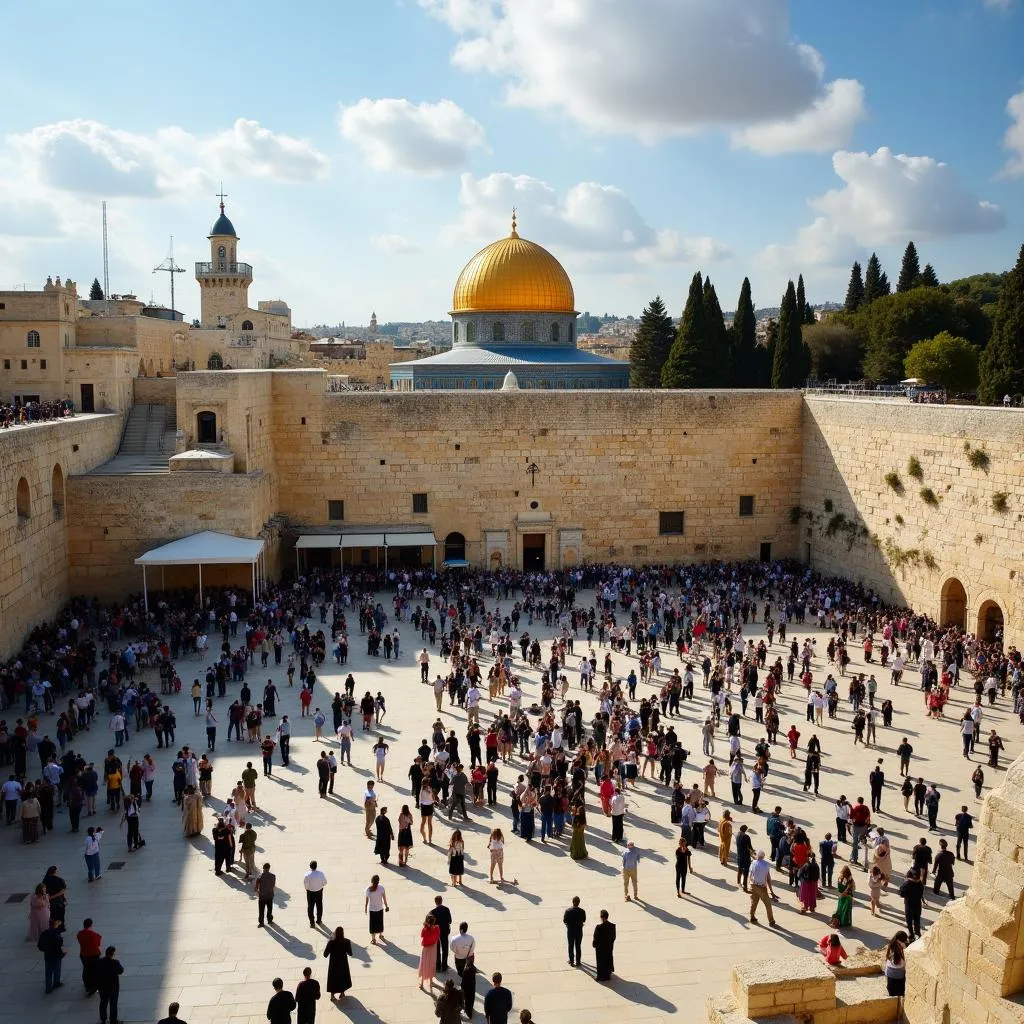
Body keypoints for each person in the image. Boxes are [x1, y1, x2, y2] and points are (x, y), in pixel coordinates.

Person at [748, 850, 779, 927]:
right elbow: (768, 879)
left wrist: (749, 885)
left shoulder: (753, 863)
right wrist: (771, 890)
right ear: (763, 857)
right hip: (762, 887)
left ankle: (752, 916)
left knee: (754, 902)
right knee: (768, 904)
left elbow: (750, 874)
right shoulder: (765, 865)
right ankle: (771, 920)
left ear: (757, 856)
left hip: (753, 885)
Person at [95, 944, 123, 1024]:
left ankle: (103, 1019)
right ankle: (113, 1020)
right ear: (113, 954)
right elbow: (120, 971)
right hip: (113, 987)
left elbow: (95, 973)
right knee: (113, 1003)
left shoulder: (99, 962)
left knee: (103, 1002)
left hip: (102, 987)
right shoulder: (115, 962)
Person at [323, 925, 353, 999]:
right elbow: (350, 953)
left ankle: (332, 995)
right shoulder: (346, 941)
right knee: (342, 977)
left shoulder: (331, 942)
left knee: (333, 978)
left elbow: (325, 954)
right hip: (343, 963)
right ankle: (342, 993)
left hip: (333, 963)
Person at [38, 917, 65, 994]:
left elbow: (40, 946)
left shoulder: (44, 933)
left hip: (48, 955)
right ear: (55, 925)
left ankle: (48, 988)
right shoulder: (57, 935)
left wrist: (46, 949)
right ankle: (56, 982)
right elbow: (60, 945)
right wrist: (63, 953)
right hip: (56, 955)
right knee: (57, 969)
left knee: (48, 972)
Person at [76, 917, 102, 996]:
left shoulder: (80, 934)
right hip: (94, 955)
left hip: (84, 954)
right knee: (94, 971)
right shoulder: (94, 935)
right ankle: (94, 987)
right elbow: (97, 943)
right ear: (91, 925)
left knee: (86, 969)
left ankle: (87, 985)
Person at [899, 868, 925, 940]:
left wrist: (902, 886)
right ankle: (917, 933)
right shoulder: (920, 884)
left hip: (909, 904)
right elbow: (921, 893)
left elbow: (901, 894)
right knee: (917, 919)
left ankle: (911, 934)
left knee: (909, 920)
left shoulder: (906, 884)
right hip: (917, 904)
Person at [418, 913, 441, 992]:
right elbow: (438, 936)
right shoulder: (437, 928)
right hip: (433, 948)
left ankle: (421, 983)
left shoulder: (424, 930)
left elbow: (422, 935)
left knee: (424, 964)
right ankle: (431, 982)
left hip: (426, 948)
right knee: (432, 963)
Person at [592, 911, 617, 981]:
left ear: (601, 917)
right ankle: (607, 975)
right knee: (608, 959)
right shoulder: (612, 926)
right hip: (608, 947)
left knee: (600, 962)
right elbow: (613, 937)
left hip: (600, 948)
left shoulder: (599, 927)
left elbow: (595, 938)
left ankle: (600, 976)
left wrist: (594, 945)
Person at [365, 874, 389, 944]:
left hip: (372, 909)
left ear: (372, 881)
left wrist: (365, 908)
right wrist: (386, 906)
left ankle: (373, 939)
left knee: (372, 924)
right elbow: (384, 899)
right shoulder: (381, 888)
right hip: (380, 908)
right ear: (378, 881)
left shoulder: (368, 889)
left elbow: (367, 900)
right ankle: (381, 935)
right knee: (380, 922)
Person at [563, 896, 586, 967]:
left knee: (571, 946)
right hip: (579, 931)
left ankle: (571, 961)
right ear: (579, 903)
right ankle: (578, 962)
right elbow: (584, 920)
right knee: (578, 946)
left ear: (572, 902)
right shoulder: (582, 911)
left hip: (570, 931)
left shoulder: (568, 911)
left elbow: (564, 920)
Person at [432, 895, 453, 973]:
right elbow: (450, 921)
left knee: (437, 949)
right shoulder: (446, 909)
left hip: (436, 933)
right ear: (441, 901)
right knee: (445, 949)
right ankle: (444, 965)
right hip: (445, 932)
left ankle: (438, 966)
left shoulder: (433, 912)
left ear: (435, 902)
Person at [304, 860, 327, 928]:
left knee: (310, 907)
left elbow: (306, 885)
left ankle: (312, 922)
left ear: (310, 867)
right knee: (319, 906)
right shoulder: (321, 873)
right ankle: (319, 920)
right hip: (319, 892)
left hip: (310, 893)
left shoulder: (307, 875)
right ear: (316, 866)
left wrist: (308, 889)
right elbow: (325, 882)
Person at [255, 862, 277, 927]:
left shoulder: (260, 877)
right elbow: (273, 885)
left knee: (261, 910)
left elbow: (256, 888)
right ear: (269, 868)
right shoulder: (273, 876)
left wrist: (258, 893)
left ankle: (261, 922)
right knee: (269, 909)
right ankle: (269, 920)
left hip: (262, 896)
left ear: (263, 868)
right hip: (270, 895)